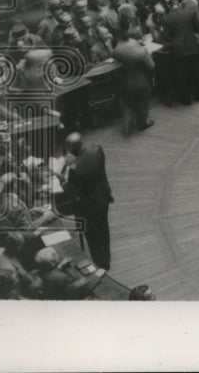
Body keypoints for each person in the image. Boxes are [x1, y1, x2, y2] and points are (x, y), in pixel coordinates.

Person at [60, 133, 114, 270]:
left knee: (92, 235)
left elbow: (72, 190)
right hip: (103, 197)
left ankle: (102, 263)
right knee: (103, 228)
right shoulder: (97, 150)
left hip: (88, 206)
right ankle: (106, 256)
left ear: (70, 150)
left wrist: (61, 178)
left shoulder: (74, 170)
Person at [110, 26, 155, 136]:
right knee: (144, 102)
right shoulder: (142, 51)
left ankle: (128, 121)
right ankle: (142, 123)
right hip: (142, 82)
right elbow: (152, 66)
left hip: (125, 82)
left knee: (129, 101)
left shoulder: (116, 51)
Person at [163, 0, 199, 105]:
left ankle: (187, 99)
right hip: (192, 45)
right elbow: (197, 28)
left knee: (182, 74)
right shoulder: (190, 12)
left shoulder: (166, 18)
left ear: (169, 6)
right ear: (178, 3)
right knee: (196, 71)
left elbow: (167, 37)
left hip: (178, 49)